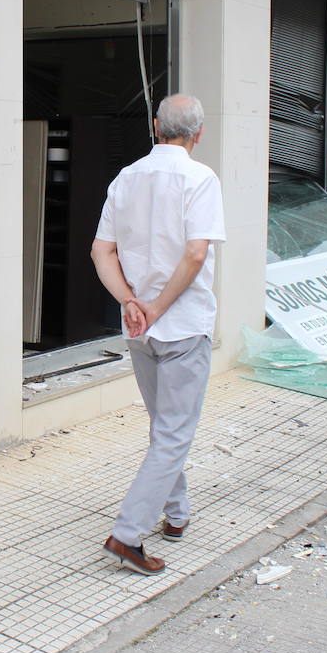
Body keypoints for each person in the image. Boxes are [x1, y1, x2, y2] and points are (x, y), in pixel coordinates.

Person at [90, 93, 226, 575]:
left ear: (155, 126)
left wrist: (131, 302)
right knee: (173, 434)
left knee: (163, 428)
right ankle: (127, 535)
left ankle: (176, 514)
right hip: (182, 325)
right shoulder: (201, 178)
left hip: (139, 330)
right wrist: (156, 307)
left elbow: (101, 251)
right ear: (198, 134)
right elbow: (195, 254)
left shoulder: (126, 177)